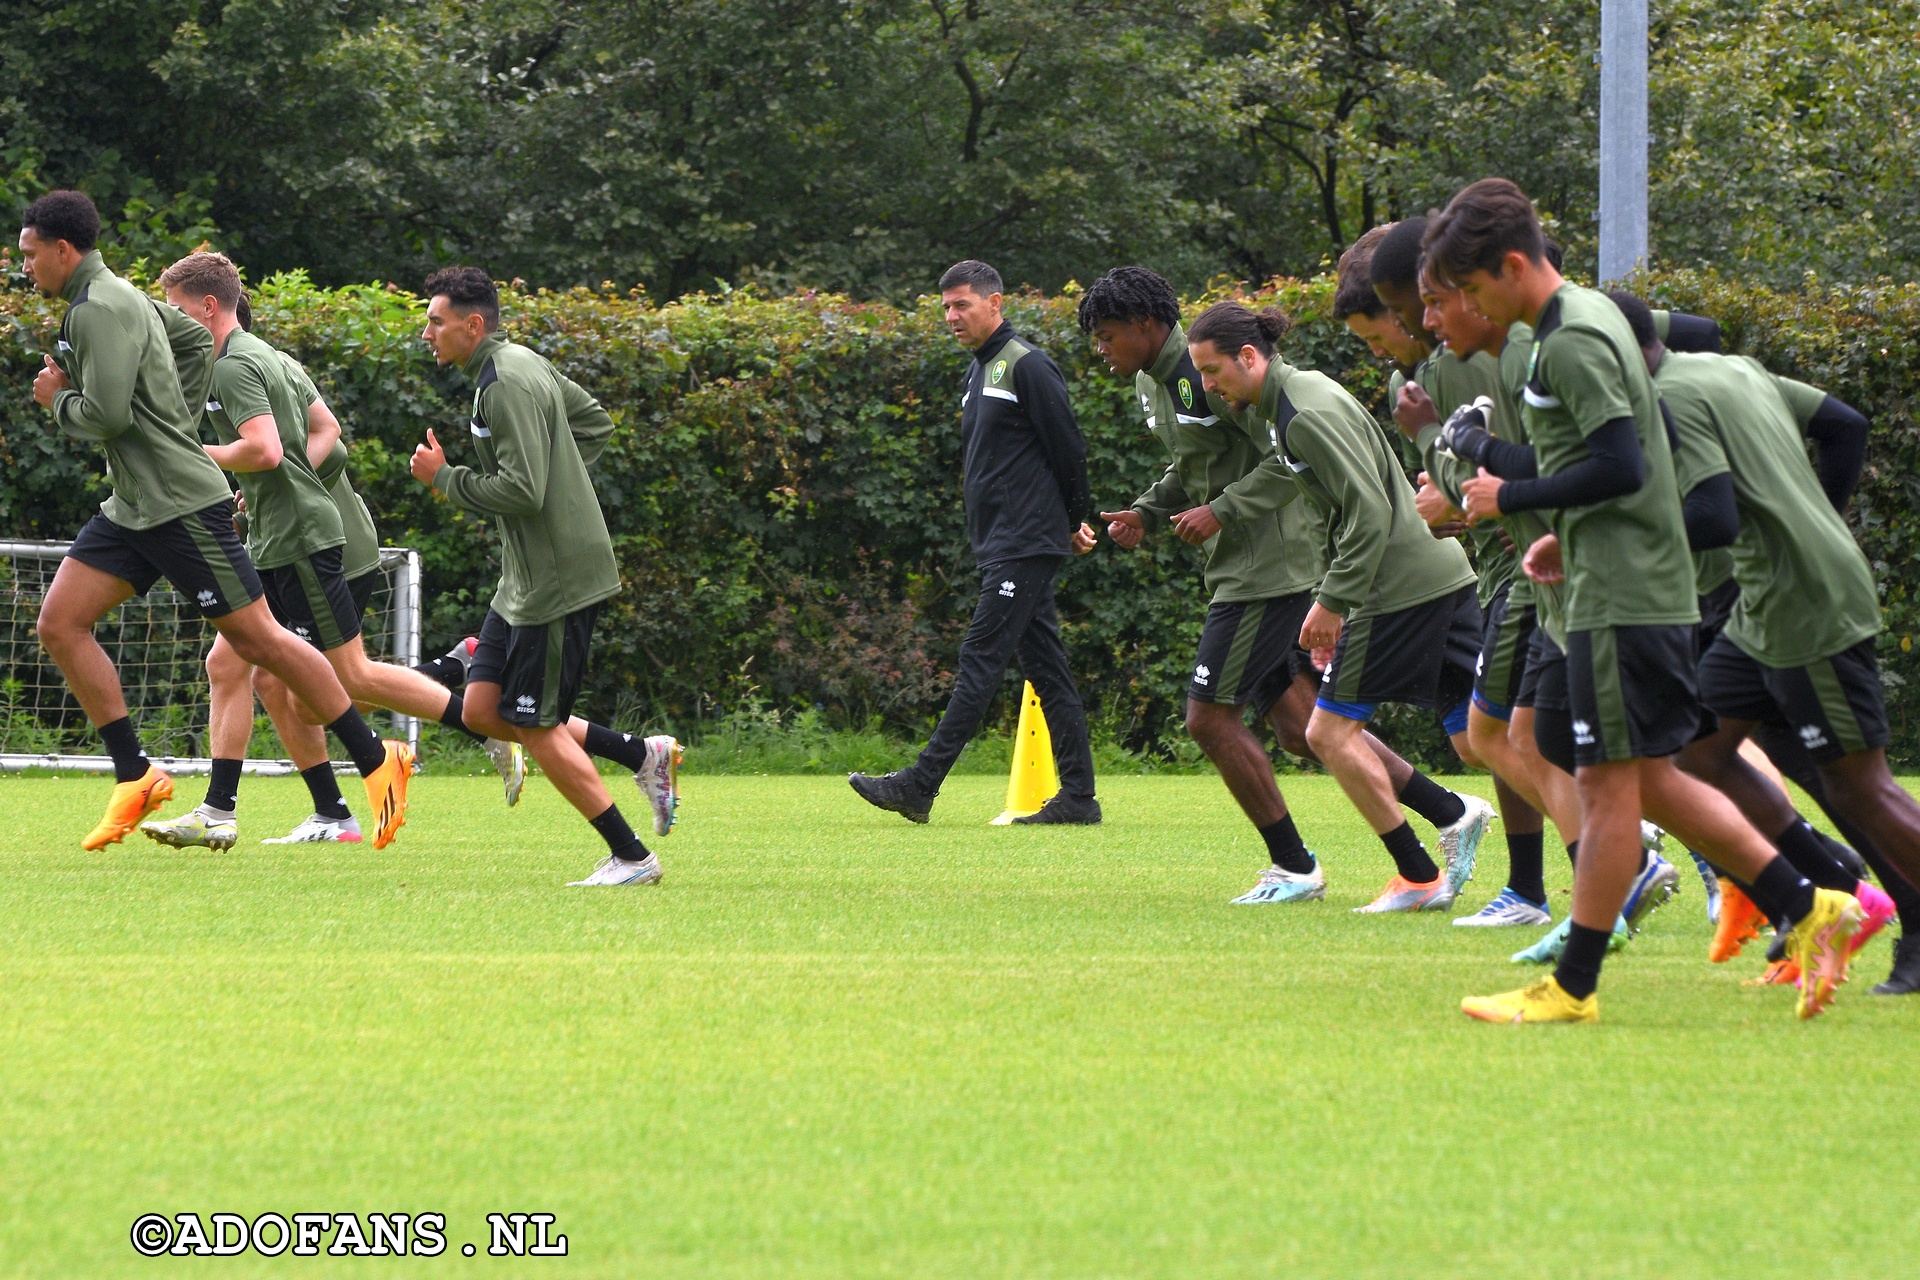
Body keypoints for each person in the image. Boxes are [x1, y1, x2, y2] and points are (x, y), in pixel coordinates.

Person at [1430, 177, 1861, 1022]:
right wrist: (1571, 531)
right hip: (1623, 578)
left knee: (1607, 787)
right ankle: (1809, 904)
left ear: (1513, 265)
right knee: (1641, 780)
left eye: (1474, 288)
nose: (1473, 306)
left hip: (1623, 599)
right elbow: (1644, 456)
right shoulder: (1589, 318)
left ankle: (1575, 987)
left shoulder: (1569, 342)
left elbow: (1621, 464)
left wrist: (1507, 500)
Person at [20, 190, 415, 850]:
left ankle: (377, 759)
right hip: (134, 506)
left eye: (30, 257)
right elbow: (191, 343)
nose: (25, 268)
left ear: (63, 251)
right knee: (60, 623)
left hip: (180, 505)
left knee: (260, 643)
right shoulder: (122, 300)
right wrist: (172, 416)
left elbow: (109, 416)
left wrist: (59, 402)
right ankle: (137, 774)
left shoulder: (97, 308)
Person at [1080, 267, 1481, 903]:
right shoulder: (1156, 385)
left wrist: (1226, 509)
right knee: (1304, 726)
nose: (1100, 350)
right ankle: (1449, 811)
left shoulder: (1209, 372)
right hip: (1241, 567)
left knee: (1209, 721)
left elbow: (1285, 457)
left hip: (1270, 568)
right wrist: (1148, 512)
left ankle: (1298, 867)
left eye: (1105, 336)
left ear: (1144, 326)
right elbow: (1195, 466)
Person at [1601, 293, 1911, 988]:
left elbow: (1711, 516)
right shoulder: (1731, 367)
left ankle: (1900, 917)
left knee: (1860, 787)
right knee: (1687, 755)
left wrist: (1603, 542)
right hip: (1759, 606)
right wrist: (1821, 519)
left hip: (1803, 601)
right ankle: (1829, 888)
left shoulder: (1669, 401)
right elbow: (1843, 424)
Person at [144, 292, 527, 848]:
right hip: (288, 536)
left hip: (325, 541)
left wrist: (274, 473)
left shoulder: (239, 369)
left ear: (209, 309)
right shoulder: (265, 362)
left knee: (336, 684)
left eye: (173, 309)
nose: (166, 322)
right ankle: (316, 810)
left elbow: (320, 445)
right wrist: (264, 483)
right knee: (244, 668)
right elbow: (320, 433)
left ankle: (473, 710)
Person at [1187, 300, 1496, 913]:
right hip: (1437, 576)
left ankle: (1418, 874)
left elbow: (1370, 511)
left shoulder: (1302, 411)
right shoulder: (1293, 400)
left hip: (1400, 589)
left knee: (1326, 731)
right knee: (1491, 738)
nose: (1207, 386)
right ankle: (1629, 837)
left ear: (1249, 357)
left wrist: (1333, 601)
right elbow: (1331, 494)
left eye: (1213, 370)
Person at [408, 266, 680, 885]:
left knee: (535, 724)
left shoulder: (504, 383)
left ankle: (633, 857)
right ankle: (641, 753)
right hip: (522, 580)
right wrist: (566, 487)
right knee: (481, 710)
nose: (427, 332)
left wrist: (443, 479)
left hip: (554, 581)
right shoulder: (517, 362)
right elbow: (594, 425)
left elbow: (524, 491)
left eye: (436, 320)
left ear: (472, 325)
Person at [848, 260, 1101, 825]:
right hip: (1004, 543)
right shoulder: (977, 372)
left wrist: (1076, 518)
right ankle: (1079, 799)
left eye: (962, 304)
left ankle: (920, 783)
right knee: (1048, 669)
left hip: (1023, 543)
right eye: (945, 307)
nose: (951, 316)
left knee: (980, 659)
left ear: (995, 304)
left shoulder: (1028, 365)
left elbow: (1070, 449)